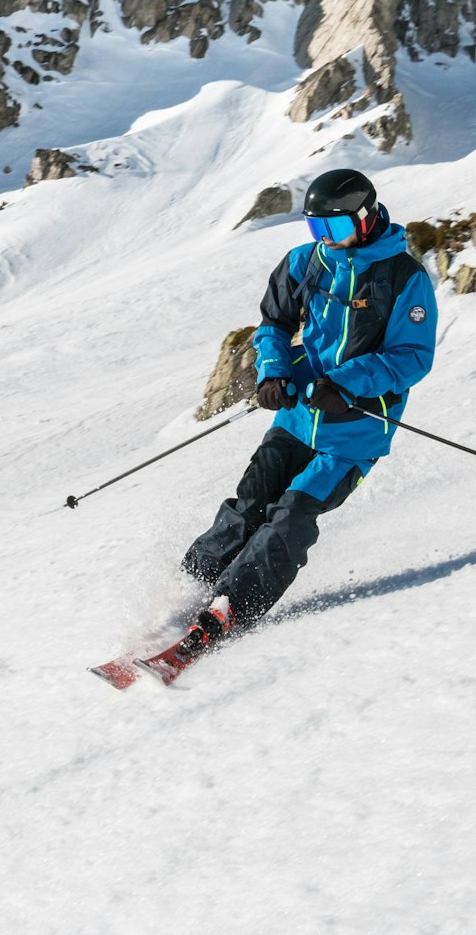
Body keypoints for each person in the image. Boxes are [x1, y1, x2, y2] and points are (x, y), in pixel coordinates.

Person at [176, 168, 438, 654]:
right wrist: (273, 372)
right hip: (297, 417)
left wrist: (346, 383)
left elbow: (413, 357)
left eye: (334, 229)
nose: (327, 240)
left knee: (292, 515)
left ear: (366, 217)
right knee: (250, 502)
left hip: (353, 432)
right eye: (318, 229)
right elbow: (273, 323)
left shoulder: (405, 278)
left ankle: (233, 604)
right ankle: (189, 587)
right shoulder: (305, 262)